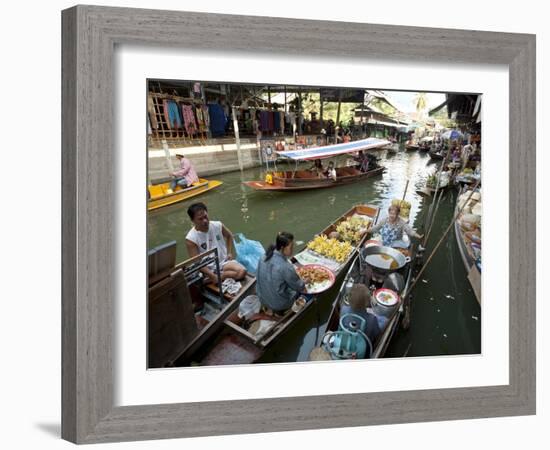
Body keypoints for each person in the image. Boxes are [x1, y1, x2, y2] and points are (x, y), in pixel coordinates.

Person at [185, 202, 246, 285]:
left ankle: (221, 276)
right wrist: (211, 275)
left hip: (223, 262)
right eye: (200, 219)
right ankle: (212, 276)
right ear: (193, 220)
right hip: (207, 268)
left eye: (205, 216)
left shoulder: (217, 225)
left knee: (242, 271)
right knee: (230, 274)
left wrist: (229, 252)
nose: (205, 221)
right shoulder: (191, 238)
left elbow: (229, 236)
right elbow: (197, 262)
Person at [256, 231, 306, 313]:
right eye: (291, 247)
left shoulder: (263, 256)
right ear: (282, 248)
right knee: (301, 291)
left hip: (262, 298)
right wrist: (304, 281)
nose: (292, 249)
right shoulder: (285, 266)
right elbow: (300, 287)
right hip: (278, 304)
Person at [340, 283, 381, 351]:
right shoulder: (372, 319)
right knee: (384, 320)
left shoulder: (343, 309)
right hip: (363, 347)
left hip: (346, 341)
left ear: (349, 298)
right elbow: (377, 333)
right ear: (368, 302)